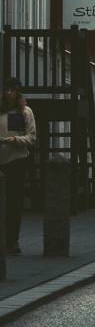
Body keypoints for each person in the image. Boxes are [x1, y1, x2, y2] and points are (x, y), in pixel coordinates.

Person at [0, 77, 35, 254]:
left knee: (14, 201)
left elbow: (31, 137)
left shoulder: (24, 112)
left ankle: (13, 240)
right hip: (1, 160)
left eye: (12, 90)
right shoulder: (1, 111)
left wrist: (15, 140)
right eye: (6, 90)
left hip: (17, 160)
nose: (8, 93)